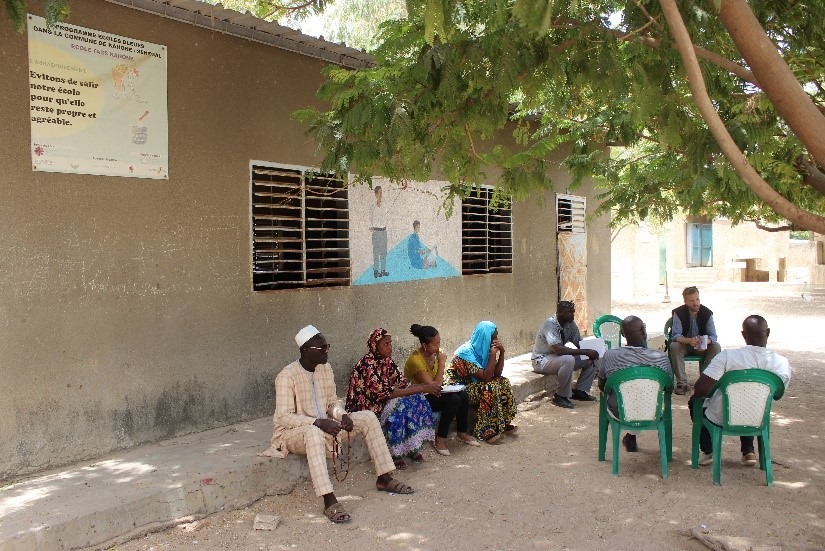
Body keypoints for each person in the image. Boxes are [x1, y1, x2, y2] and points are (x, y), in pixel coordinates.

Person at [269, 325, 413, 524]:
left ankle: (384, 477)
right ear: (305, 351)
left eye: (327, 346)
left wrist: (342, 414)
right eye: (321, 349)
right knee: (313, 432)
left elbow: (331, 403)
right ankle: (329, 500)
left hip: (324, 427)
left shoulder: (325, 369)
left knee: (368, 417)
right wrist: (318, 422)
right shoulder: (287, 376)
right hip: (293, 434)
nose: (326, 351)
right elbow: (283, 417)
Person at [689, 315, 791, 467]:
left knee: (695, 401)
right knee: (750, 402)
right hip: (758, 416)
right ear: (768, 332)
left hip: (721, 416)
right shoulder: (781, 363)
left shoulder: (727, 357)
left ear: (743, 335)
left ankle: (709, 449)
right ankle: (748, 450)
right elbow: (777, 395)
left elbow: (700, 389)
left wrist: (714, 390)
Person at [346, 328, 437, 469]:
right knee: (400, 405)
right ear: (375, 345)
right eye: (385, 344)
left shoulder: (387, 361)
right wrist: (422, 387)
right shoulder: (367, 365)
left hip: (385, 401)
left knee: (415, 399)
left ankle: (412, 446)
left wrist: (415, 389)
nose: (390, 347)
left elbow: (401, 381)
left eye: (390, 343)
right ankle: (395, 453)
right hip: (369, 407)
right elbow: (386, 393)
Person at [597, 316, 672, 452]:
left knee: (629, 397)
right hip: (651, 410)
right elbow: (668, 387)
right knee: (643, 396)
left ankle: (630, 436)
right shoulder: (661, 357)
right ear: (643, 331)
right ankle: (634, 437)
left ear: (622, 334)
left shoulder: (610, 356)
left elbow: (602, 386)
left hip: (619, 411)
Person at [404, 324, 480, 455]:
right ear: (424, 345)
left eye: (439, 343)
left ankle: (462, 433)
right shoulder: (416, 360)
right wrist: (442, 364)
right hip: (418, 396)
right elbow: (434, 386)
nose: (438, 347)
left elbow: (437, 386)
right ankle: (440, 439)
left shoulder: (435, 354)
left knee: (462, 394)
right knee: (454, 400)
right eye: (434, 344)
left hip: (432, 392)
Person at [445, 321, 517, 443]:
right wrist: (493, 353)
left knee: (503, 382)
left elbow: (497, 374)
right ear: (484, 338)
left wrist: (502, 353)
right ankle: (484, 430)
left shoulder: (484, 351)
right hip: (459, 389)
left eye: (496, 337)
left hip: (475, 385)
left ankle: (502, 423)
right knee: (490, 387)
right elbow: (486, 378)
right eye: (493, 338)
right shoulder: (464, 353)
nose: (496, 341)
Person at [531, 301, 600, 409]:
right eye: (569, 312)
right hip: (541, 360)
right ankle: (560, 396)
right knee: (568, 359)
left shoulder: (570, 324)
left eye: (573, 312)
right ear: (559, 312)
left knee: (590, 357)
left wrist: (594, 350)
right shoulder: (550, 325)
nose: (572, 315)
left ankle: (580, 390)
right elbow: (559, 350)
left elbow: (580, 344)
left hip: (556, 359)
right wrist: (585, 351)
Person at [669, 286, 722, 395]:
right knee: (674, 346)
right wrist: (688, 341)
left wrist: (704, 341)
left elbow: (713, 336)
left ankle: (705, 381)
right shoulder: (678, 313)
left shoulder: (707, 313)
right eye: (691, 301)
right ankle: (682, 383)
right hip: (685, 345)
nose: (695, 303)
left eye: (697, 299)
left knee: (716, 346)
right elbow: (675, 336)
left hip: (701, 346)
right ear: (685, 301)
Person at [370, 186, 389, 278]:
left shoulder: (384, 205)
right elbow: (369, 219)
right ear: (376, 194)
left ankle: (383, 270)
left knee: (384, 252)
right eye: (379, 193)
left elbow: (386, 216)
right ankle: (376, 271)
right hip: (376, 232)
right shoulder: (373, 206)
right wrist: (371, 228)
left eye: (382, 192)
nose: (381, 194)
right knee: (376, 252)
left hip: (383, 231)